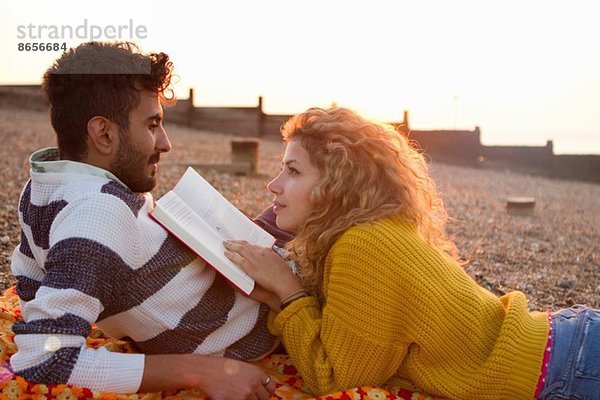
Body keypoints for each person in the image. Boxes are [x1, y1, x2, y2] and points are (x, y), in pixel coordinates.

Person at [224, 107, 600, 400]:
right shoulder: (368, 231)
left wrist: (288, 293)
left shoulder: (362, 246)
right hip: (564, 349)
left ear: (337, 184)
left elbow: (337, 379)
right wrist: (279, 294)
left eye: (292, 171)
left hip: (564, 370)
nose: (273, 186)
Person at [10, 41, 277, 399]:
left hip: (248, 283)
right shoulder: (99, 213)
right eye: (153, 125)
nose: (165, 143)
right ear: (104, 134)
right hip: (269, 327)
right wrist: (203, 372)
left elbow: (31, 286)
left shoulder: (41, 186)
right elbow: (44, 362)